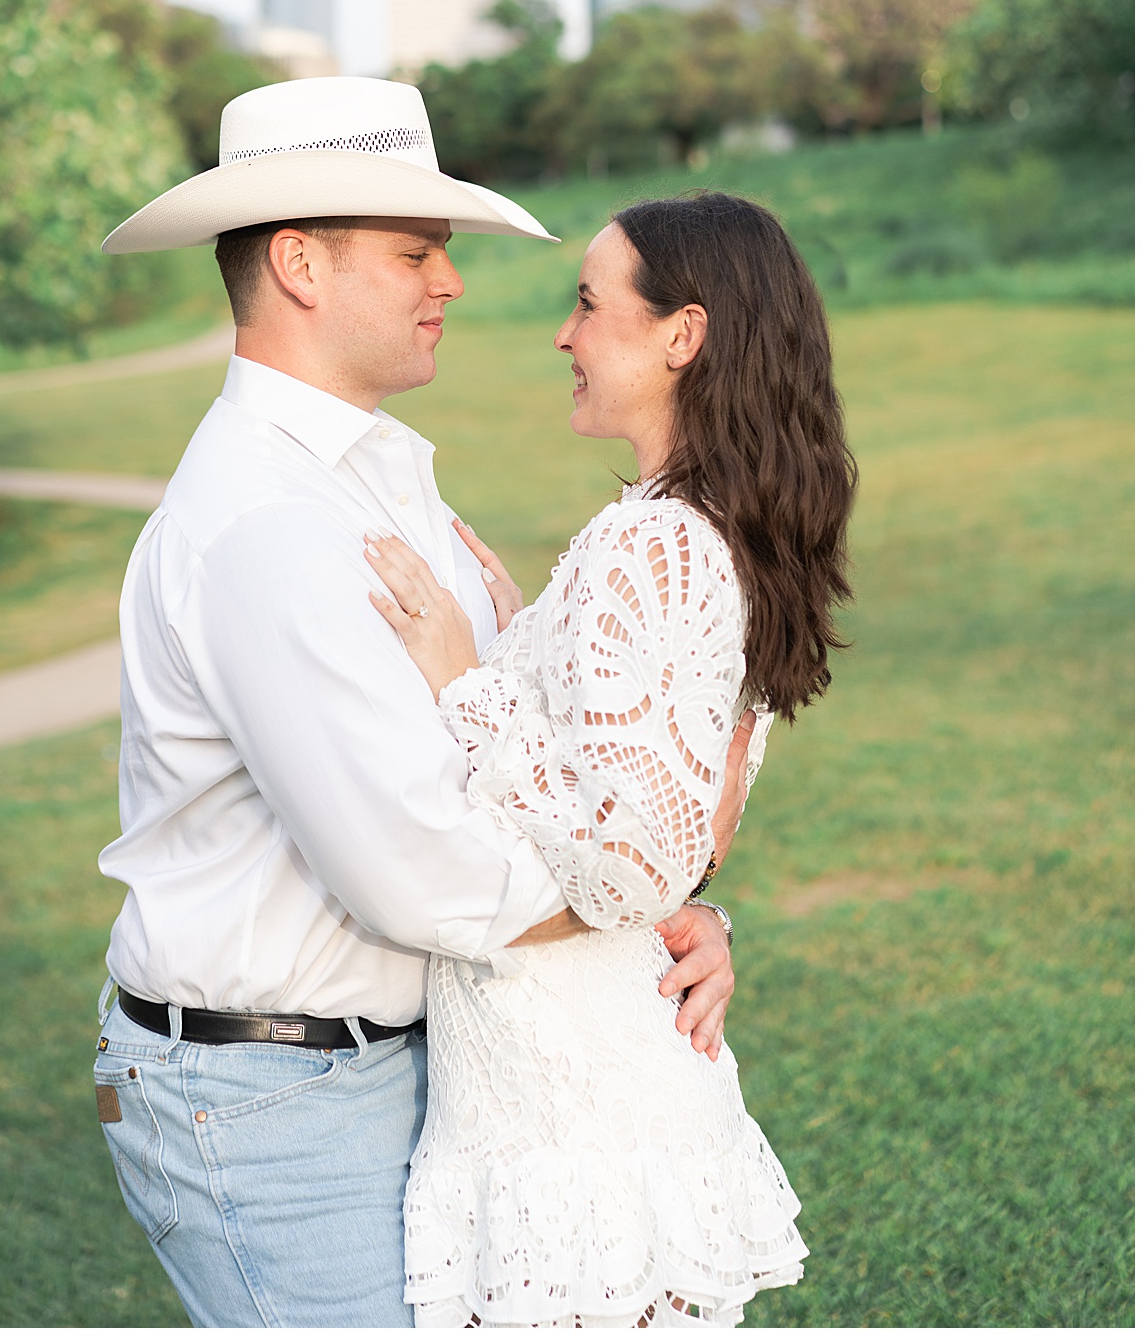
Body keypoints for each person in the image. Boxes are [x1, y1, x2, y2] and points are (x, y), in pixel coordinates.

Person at [91, 77, 742, 1329]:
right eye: (415, 251)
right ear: (299, 264)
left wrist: (664, 894)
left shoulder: (376, 481)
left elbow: (536, 764)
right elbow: (432, 875)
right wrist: (643, 900)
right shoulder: (269, 524)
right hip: (272, 1091)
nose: (450, 281)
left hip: (391, 1063)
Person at [366, 192, 858, 1327]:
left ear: (681, 335)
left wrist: (465, 677)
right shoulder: (704, 524)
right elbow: (675, 813)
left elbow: (634, 865)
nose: (564, 335)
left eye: (589, 305)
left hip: (568, 1097)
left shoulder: (653, 542)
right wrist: (520, 635)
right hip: (592, 1071)